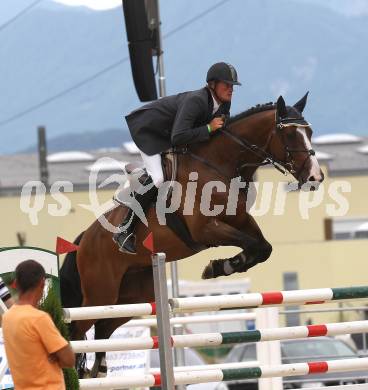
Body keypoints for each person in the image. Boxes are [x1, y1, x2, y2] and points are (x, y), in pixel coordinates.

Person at [113, 62, 241, 254]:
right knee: (158, 179)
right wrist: (207, 128)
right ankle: (124, 230)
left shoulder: (224, 103)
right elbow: (178, 136)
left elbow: (217, 134)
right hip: (150, 131)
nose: (231, 89)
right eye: (227, 85)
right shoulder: (196, 101)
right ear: (213, 85)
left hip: (170, 134)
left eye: (232, 86)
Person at [2, 260, 75, 390]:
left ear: (16, 284)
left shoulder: (7, 318)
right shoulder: (39, 319)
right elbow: (69, 360)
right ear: (42, 284)